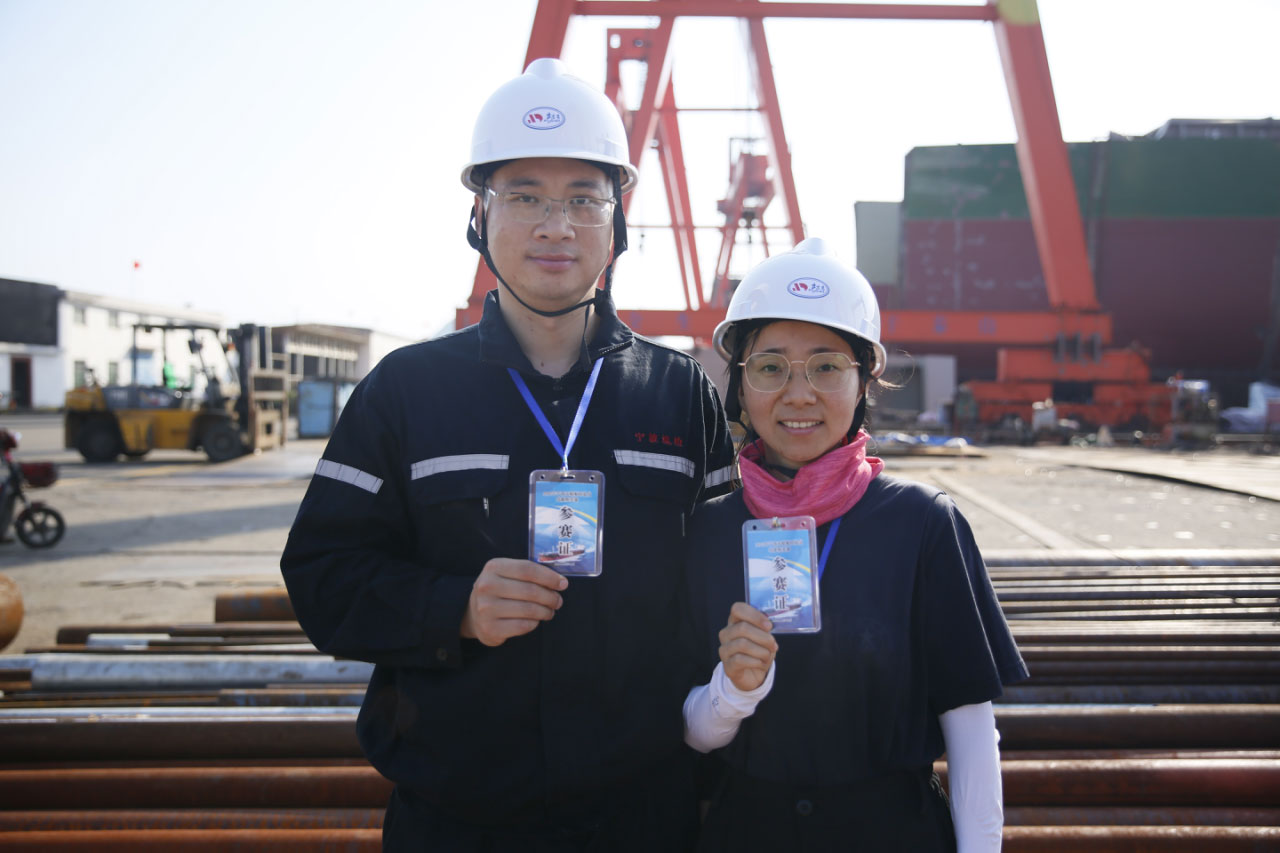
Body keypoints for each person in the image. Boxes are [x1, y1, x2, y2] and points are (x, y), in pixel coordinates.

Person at [280, 57, 735, 852]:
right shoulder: (405, 391)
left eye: (583, 198)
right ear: (479, 214)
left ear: (618, 221)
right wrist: (452, 608)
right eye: (525, 196)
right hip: (459, 819)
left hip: (641, 816)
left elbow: (726, 584)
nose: (556, 226)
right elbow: (321, 576)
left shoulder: (679, 394)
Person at [680, 238, 1028, 852]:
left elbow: (971, 729)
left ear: (865, 379)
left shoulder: (923, 523)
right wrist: (731, 692)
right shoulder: (708, 529)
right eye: (770, 367)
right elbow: (692, 734)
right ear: (740, 384)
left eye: (827, 366)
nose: (799, 394)